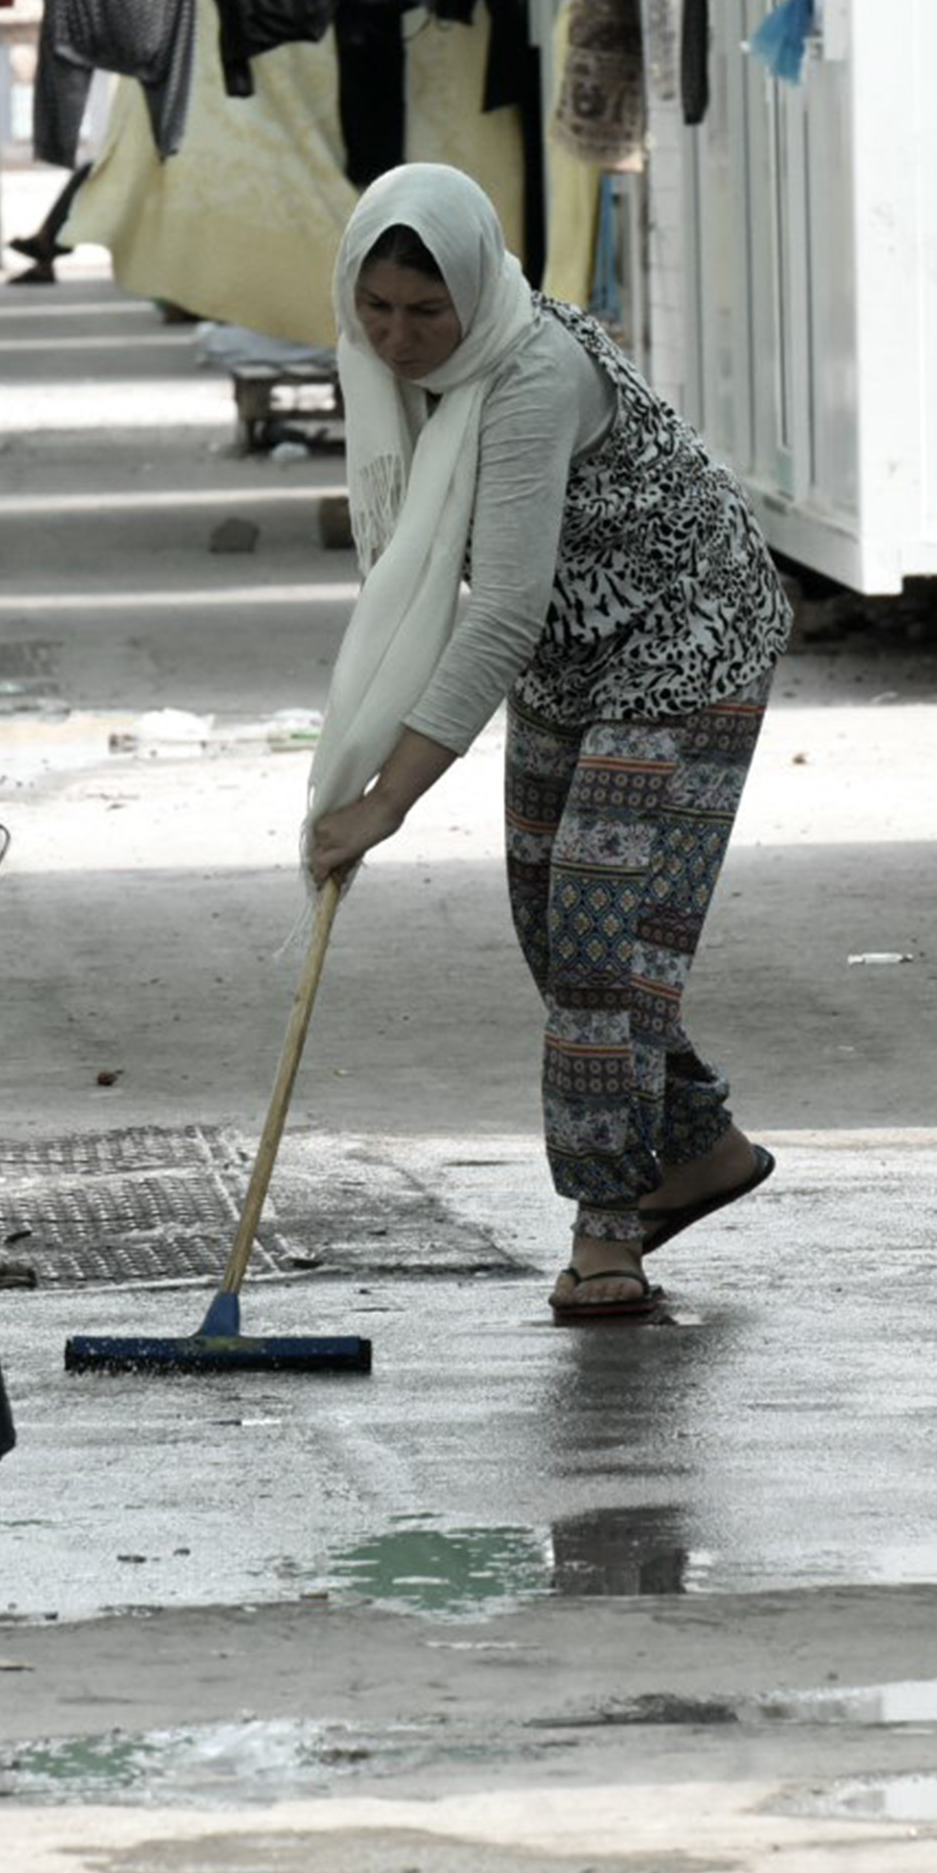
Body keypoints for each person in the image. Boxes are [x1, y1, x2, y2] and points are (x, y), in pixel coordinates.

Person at [302, 164, 792, 1322]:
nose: (398, 335)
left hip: (689, 639)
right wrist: (364, 754)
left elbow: (503, 607)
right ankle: (702, 1149)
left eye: (428, 311)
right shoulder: (383, 372)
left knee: (597, 933)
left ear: (478, 292)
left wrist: (389, 800)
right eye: (376, 306)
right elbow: (427, 583)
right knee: (553, 925)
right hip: (576, 657)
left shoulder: (526, 378)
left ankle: (607, 1227)